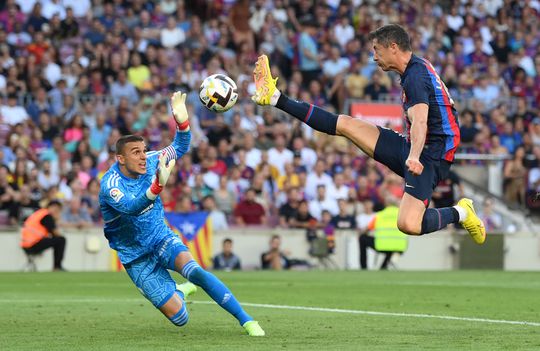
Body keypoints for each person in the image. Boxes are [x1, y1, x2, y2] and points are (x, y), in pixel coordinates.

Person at [251, 24, 486, 245]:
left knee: (408, 224)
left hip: (430, 157)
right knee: (345, 124)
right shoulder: (415, 68)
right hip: (414, 147)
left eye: (377, 49)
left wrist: (414, 156)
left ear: (393, 47)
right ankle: (275, 97)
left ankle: (462, 212)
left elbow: (421, 120)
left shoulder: (415, 77)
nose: (374, 57)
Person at [98, 92, 264, 336]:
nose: (143, 156)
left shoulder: (153, 161)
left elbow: (181, 146)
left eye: (143, 150)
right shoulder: (110, 184)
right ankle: (178, 291)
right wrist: (156, 188)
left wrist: (182, 121)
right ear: (120, 158)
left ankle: (247, 321)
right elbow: (132, 208)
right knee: (180, 318)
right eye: (136, 152)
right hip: (135, 256)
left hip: (160, 237)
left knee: (195, 270)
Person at [359, 196, 408, 270]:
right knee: (391, 248)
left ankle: (364, 267)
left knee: (362, 238)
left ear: (386, 204)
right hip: (400, 247)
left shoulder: (380, 215)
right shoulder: (402, 215)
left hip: (382, 246)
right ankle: (383, 267)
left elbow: (367, 229)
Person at [20, 200, 66, 271]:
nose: (57, 212)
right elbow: (56, 233)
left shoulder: (40, 213)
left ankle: (57, 266)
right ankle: (57, 267)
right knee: (61, 240)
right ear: (51, 207)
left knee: (57, 240)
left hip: (25, 244)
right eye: (57, 210)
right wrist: (57, 220)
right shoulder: (47, 216)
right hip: (33, 244)